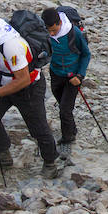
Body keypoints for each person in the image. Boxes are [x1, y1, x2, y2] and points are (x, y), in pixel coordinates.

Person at [0, 10, 61, 178]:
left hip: (29, 88)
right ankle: (4, 157)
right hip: (7, 82)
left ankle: (50, 163)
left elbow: (23, 79)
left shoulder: (10, 43)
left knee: (38, 127)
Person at [41, 8, 91, 158]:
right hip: (56, 73)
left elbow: (86, 54)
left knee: (64, 109)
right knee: (63, 105)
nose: (51, 34)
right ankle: (72, 129)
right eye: (48, 30)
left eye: (53, 30)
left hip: (73, 76)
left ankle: (67, 141)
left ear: (59, 23)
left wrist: (80, 75)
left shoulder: (74, 33)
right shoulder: (47, 32)